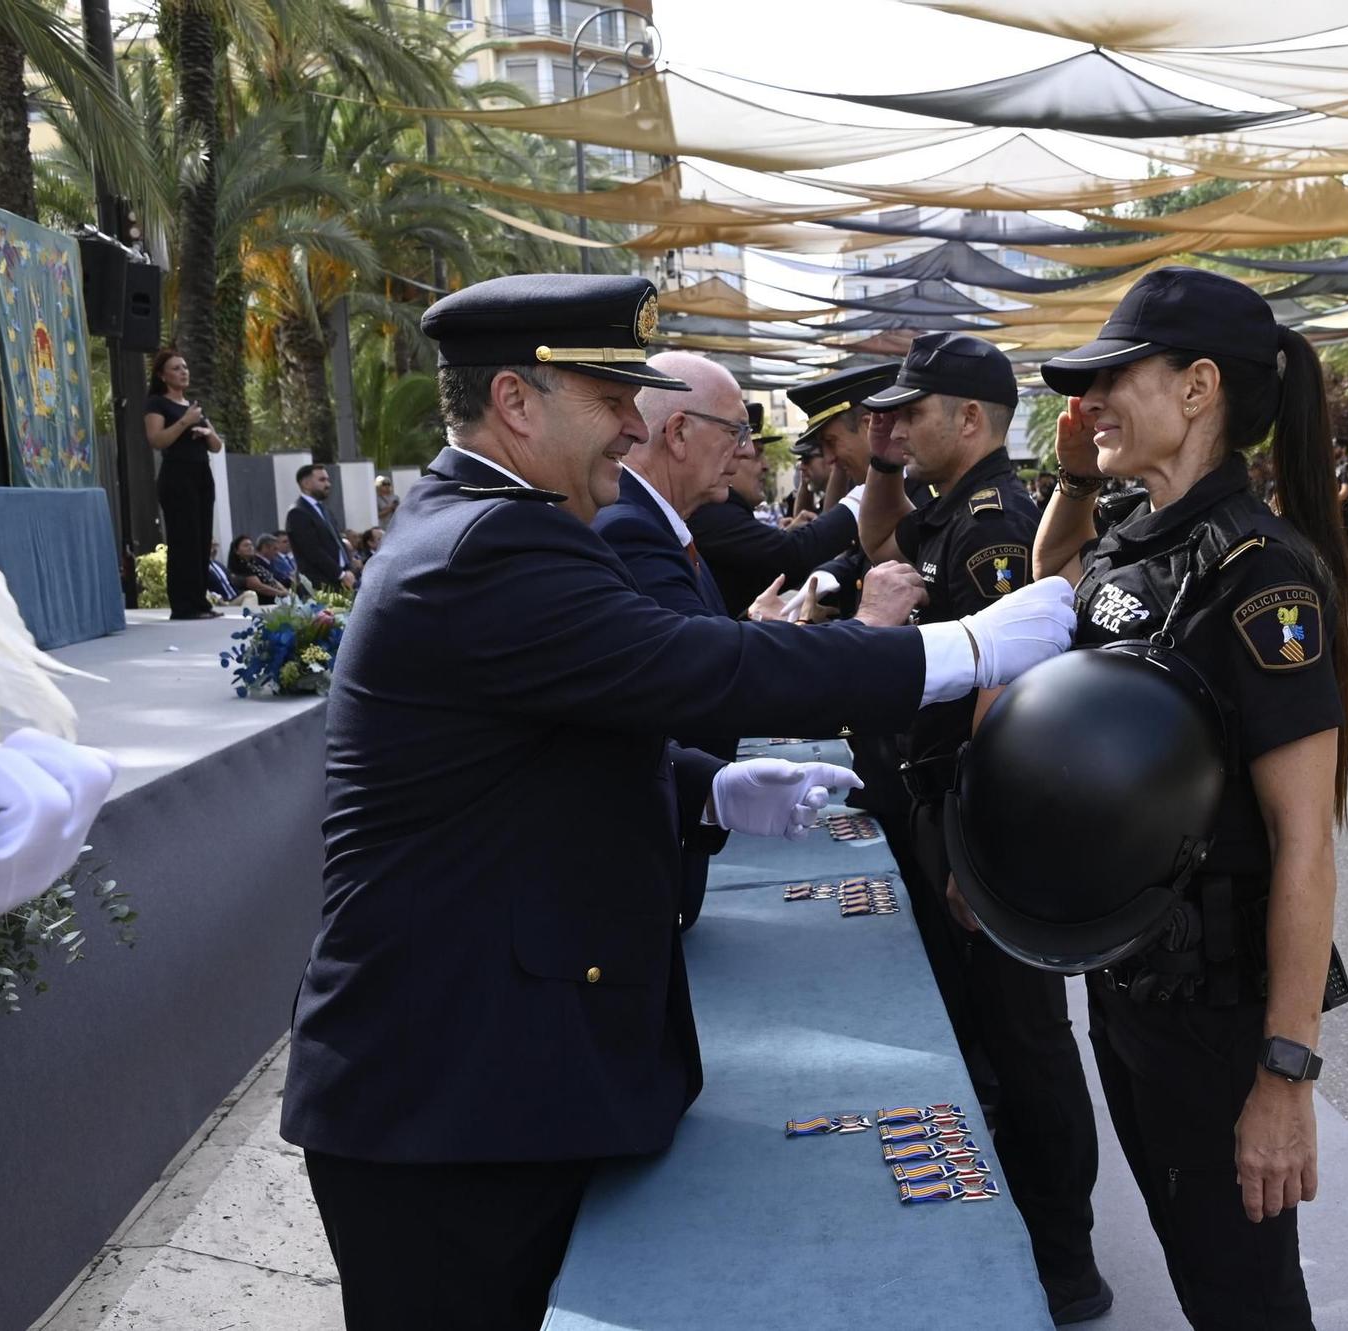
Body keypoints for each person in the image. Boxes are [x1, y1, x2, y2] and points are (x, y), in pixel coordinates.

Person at [280, 274, 1078, 1331]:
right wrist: (955, 650)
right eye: (609, 394)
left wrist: (706, 786)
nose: (629, 421)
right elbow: (696, 664)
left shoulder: (494, 526)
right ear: (516, 402)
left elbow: (548, 736)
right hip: (450, 1093)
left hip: (483, 1072)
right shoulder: (489, 545)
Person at [1032, 264, 1348, 1331]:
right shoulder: (1135, 539)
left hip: (1217, 1011)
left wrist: (1284, 1074)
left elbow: (1302, 839)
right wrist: (1078, 476)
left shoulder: (1258, 571)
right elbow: (1058, 583)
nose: (1086, 404)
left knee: (1243, 1298)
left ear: (1197, 387)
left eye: (1111, 377)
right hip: (1128, 980)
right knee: (1193, 1264)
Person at [852, 331, 1108, 1324]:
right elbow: (879, 543)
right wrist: (880, 459)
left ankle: (1064, 1255)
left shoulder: (996, 518)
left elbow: (1009, 686)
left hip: (983, 814)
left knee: (1025, 1038)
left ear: (969, 419)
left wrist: (977, 844)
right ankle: (1020, 1220)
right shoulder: (944, 508)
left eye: (910, 414)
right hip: (941, 804)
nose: (896, 428)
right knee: (988, 1037)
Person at [592, 352, 759, 928]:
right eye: (735, 431)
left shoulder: (663, 524)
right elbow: (702, 670)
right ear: (679, 432)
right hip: (651, 844)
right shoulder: (630, 528)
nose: (744, 450)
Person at [692, 368, 890, 617]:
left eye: (831, 442)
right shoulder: (712, 513)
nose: (762, 463)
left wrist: (824, 575)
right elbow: (792, 555)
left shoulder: (917, 491)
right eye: (752, 450)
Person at [144, 348, 224, 620]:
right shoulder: (157, 404)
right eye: (176, 368)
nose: (183, 372)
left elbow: (216, 446)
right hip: (177, 476)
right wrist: (184, 423)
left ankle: (200, 601)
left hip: (201, 474)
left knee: (202, 538)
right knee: (184, 539)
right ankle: (183, 605)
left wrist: (207, 432)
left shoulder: (194, 406)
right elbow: (157, 440)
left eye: (185, 367)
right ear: (162, 375)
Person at [286, 464, 358, 593]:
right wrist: (340, 574)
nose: (328, 484)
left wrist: (348, 570)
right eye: (322, 480)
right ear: (306, 484)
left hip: (340, 581)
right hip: (318, 586)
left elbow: (337, 542)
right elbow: (313, 550)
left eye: (328, 480)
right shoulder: (298, 512)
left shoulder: (324, 510)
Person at [228, 534, 290, 604]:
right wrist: (281, 593)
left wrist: (284, 590)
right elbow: (259, 587)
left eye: (251, 545)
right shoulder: (241, 568)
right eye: (246, 545)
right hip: (261, 603)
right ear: (237, 551)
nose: (250, 547)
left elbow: (272, 579)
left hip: (276, 599)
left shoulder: (255, 564)